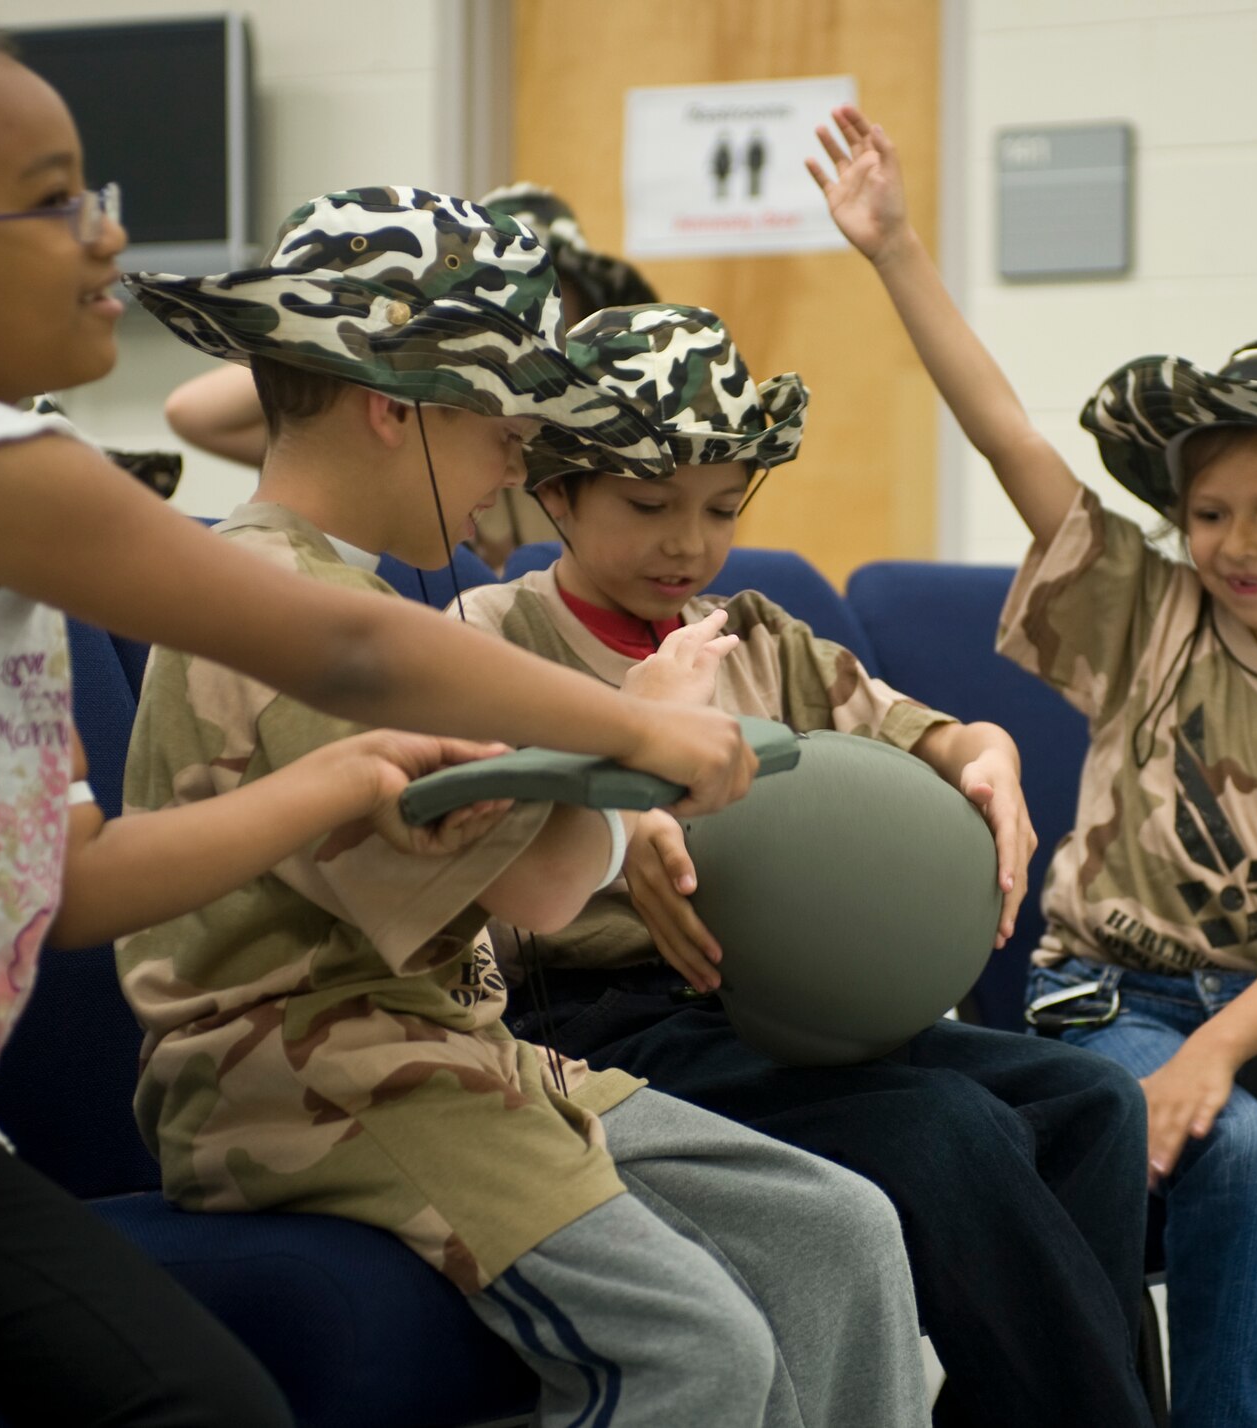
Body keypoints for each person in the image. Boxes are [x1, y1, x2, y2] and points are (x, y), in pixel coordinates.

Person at [0, 22, 755, 1426]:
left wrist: (328, 785)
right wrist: (635, 729)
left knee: (202, 1402)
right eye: (46, 202)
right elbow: (347, 640)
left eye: (89, 192)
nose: (105, 235)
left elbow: (78, 889)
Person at [118, 187, 933, 1428]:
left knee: (836, 1231)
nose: (519, 460)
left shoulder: (350, 601)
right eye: (505, 419)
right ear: (397, 409)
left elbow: (528, 863)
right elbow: (540, 887)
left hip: (456, 1051)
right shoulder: (279, 613)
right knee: (694, 1349)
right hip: (312, 1079)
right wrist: (641, 736)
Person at [813, 105, 1257, 1427]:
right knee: (1252, 1170)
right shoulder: (1150, 615)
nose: (1235, 543)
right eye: (1210, 512)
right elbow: (1010, 440)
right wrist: (896, 252)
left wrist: (1223, 1049)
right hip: (1110, 1009)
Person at [457, 302, 1158, 1426]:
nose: (687, 542)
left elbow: (936, 735)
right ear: (555, 491)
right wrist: (623, 822)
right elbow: (476, 865)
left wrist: (994, 759)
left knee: (1090, 1102)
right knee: (947, 1132)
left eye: (721, 509)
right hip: (597, 1024)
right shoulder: (489, 640)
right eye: (647, 506)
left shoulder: (761, 637)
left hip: (782, 1006)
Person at [159, 182, 655, 568]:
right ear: (394, 406)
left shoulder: (256, 579)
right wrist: (357, 347)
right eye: (508, 435)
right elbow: (193, 412)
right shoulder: (314, 626)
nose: (518, 471)